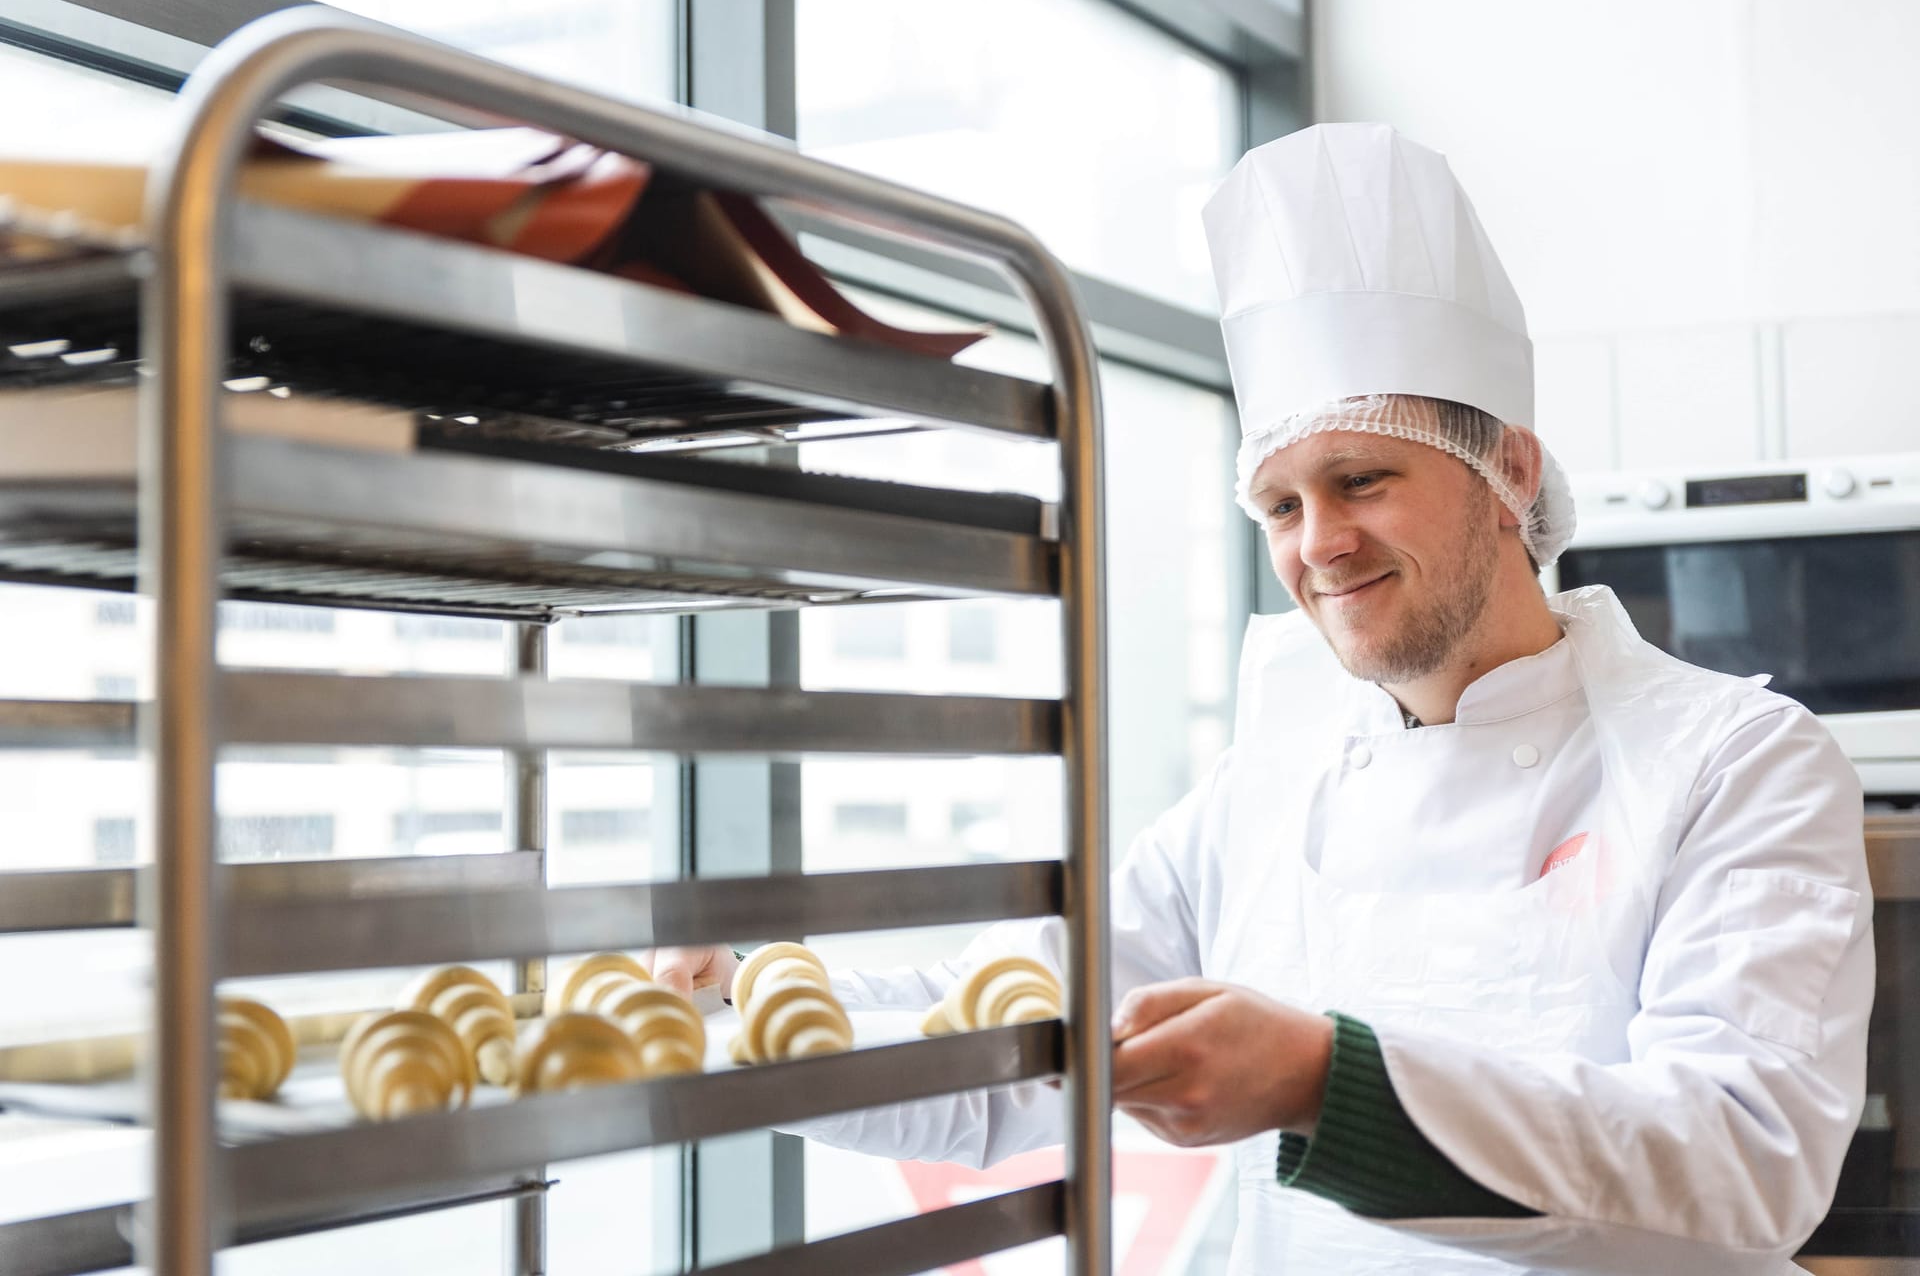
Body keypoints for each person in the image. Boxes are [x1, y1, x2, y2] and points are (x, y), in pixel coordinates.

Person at [649, 123, 1872, 1274]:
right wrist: (732, 1009)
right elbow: (1012, 1042)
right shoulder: (1274, 782)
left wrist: (1319, 1082)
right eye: (1282, 504)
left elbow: (1745, 1150)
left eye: (1362, 478)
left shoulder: (1735, 760)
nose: (1320, 541)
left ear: (1509, 468)